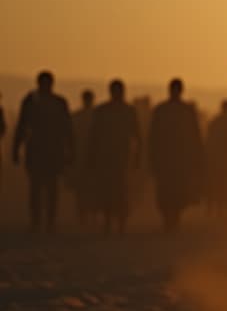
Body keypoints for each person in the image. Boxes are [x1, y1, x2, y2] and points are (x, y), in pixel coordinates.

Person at [12, 71, 74, 233]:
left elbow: (67, 129)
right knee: (37, 187)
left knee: (49, 187)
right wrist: (16, 149)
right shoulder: (32, 101)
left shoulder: (56, 102)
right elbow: (22, 126)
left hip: (51, 149)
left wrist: (71, 150)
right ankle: (38, 220)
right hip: (39, 148)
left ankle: (48, 221)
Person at [149, 79, 204, 232]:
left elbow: (195, 135)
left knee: (179, 190)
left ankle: (174, 217)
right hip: (165, 157)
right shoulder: (161, 110)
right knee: (165, 191)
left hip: (181, 158)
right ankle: (168, 218)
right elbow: (153, 136)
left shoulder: (187, 111)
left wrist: (198, 157)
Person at [88, 79, 141, 234]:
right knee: (108, 190)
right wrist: (91, 156)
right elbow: (94, 136)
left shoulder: (127, 111)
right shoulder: (104, 111)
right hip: (107, 157)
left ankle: (118, 223)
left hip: (121, 158)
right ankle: (110, 221)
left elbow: (137, 136)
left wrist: (137, 157)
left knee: (120, 191)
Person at [68, 90, 98, 225]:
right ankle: (85, 214)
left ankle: (88, 214)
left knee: (89, 187)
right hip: (82, 155)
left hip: (90, 156)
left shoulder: (80, 116)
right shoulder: (96, 116)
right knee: (84, 187)